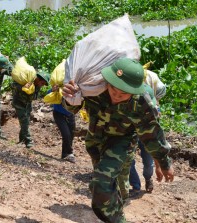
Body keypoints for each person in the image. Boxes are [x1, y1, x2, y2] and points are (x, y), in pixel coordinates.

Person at [62, 57, 174, 223]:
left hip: (122, 142)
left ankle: (118, 219)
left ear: (134, 91)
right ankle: (113, 207)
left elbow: (152, 135)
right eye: (113, 89)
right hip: (95, 141)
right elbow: (72, 107)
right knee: (104, 185)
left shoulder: (141, 102)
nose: (115, 96)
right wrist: (69, 96)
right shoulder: (95, 89)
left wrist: (163, 163)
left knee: (102, 182)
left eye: (122, 94)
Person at [129, 69, 167, 196]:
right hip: (133, 128)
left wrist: (160, 165)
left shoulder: (154, 105)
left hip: (137, 129)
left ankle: (143, 181)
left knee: (141, 159)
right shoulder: (150, 81)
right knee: (135, 157)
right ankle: (138, 183)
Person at [12, 71, 50, 148]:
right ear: (38, 79)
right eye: (42, 83)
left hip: (27, 105)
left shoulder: (37, 86)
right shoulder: (25, 80)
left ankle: (21, 141)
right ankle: (29, 141)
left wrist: (30, 90)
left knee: (25, 123)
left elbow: (34, 97)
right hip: (19, 103)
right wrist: (23, 87)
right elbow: (13, 85)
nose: (42, 85)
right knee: (24, 122)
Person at [48, 85, 76, 163]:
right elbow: (48, 94)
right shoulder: (58, 88)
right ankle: (70, 153)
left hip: (70, 114)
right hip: (58, 114)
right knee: (66, 134)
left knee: (71, 134)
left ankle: (64, 154)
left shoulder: (73, 88)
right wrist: (53, 90)